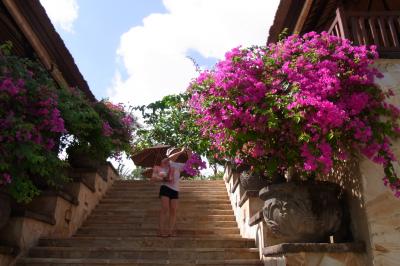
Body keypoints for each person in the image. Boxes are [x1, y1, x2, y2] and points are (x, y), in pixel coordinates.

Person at [151, 147, 189, 237]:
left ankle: (170, 231)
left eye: (176, 152)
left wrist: (189, 155)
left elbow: (187, 166)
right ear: (168, 154)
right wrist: (181, 151)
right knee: (165, 209)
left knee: (173, 211)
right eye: (173, 152)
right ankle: (160, 231)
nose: (176, 153)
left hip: (175, 190)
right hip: (165, 187)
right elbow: (170, 158)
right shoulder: (165, 161)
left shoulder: (178, 165)